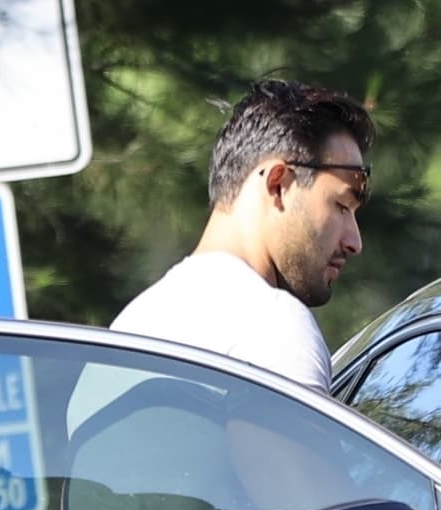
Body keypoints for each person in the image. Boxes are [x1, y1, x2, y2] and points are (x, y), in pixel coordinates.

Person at [108, 78, 375, 395]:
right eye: (342, 205)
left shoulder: (127, 329)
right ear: (278, 184)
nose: (354, 242)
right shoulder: (272, 328)